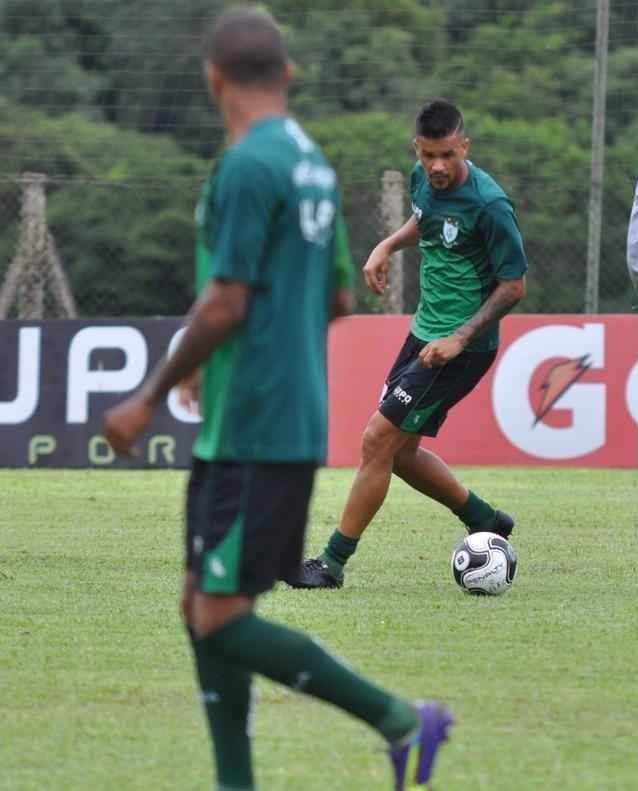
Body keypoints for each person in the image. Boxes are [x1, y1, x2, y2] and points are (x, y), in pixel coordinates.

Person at [101, 9, 452, 789]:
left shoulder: (246, 166)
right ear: (287, 76)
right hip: (275, 418)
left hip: (253, 427)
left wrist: (148, 395)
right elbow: (336, 300)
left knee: (219, 615)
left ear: (213, 79)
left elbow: (224, 301)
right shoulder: (311, 164)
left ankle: (399, 717)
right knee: (204, 606)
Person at [287, 98, 528, 590]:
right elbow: (427, 220)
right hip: (423, 334)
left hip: (461, 347)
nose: (437, 167)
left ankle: (330, 565)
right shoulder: (424, 180)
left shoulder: (490, 204)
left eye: (447, 155)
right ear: (417, 149)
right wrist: (387, 245)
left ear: (464, 146)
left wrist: (460, 338)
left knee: (377, 440)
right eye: (427, 156)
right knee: (400, 453)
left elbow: (514, 285)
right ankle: (487, 520)